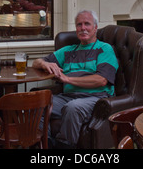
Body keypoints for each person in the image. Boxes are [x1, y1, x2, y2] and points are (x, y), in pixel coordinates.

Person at [32, 10, 119, 149]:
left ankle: (64, 147)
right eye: (79, 24)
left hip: (96, 98)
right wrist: (45, 63)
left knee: (73, 108)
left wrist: (67, 79)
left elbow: (101, 80)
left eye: (87, 24)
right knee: (38, 102)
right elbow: (35, 63)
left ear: (95, 27)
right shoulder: (68, 51)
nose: (83, 28)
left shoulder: (104, 49)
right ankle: (45, 144)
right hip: (68, 97)